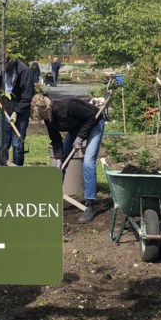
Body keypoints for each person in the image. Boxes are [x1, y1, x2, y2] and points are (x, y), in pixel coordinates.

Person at [31, 92, 106, 224]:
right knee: (60, 166)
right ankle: (52, 201)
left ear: (48, 109)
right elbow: (55, 138)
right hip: (76, 129)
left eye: (43, 116)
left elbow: (91, 118)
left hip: (94, 123)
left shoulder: (67, 105)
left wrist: (80, 137)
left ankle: (90, 205)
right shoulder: (48, 118)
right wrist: (59, 158)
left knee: (88, 162)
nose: (44, 120)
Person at [0, 57, 34, 166]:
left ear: (11, 61)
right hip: (4, 110)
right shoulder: (2, 69)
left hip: (20, 113)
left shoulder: (25, 71)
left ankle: (17, 173)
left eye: (5, 66)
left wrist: (16, 112)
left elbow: (28, 97)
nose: (3, 69)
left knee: (17, 146)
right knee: (1, 145)